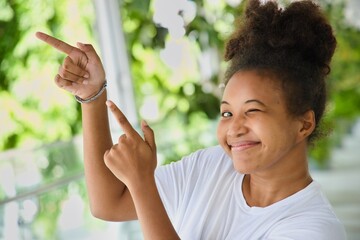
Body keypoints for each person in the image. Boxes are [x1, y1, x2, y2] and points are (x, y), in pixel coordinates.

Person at [36, 0, 347, 239]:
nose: (234, 128)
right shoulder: (213, 167)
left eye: (252, 110)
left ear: (303, 124)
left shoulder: (313, 229)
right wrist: (92, 98)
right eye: (227, 112)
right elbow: (109, 203)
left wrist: (144, 184)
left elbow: (138, 195)